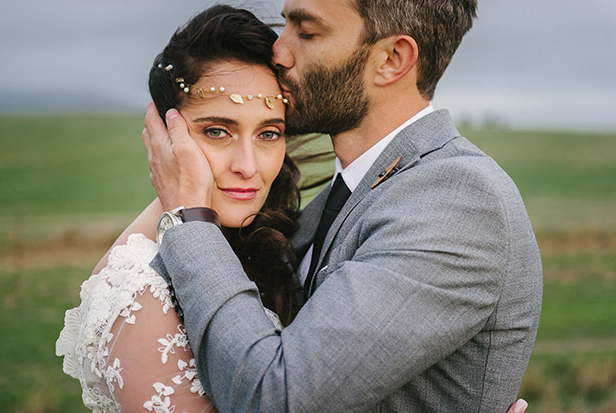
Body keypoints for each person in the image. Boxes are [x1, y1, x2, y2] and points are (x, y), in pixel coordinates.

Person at [143, 0, 542, 412]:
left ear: (392, 59)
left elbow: (275, 398)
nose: (278, 51)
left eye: (307, 31)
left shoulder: (456, 201)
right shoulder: (348, 194)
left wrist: (191, 220)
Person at [56, 6, 303, 411]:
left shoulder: (248, 242)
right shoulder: (141, 291)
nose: (247, 166)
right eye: (217, 131)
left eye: (269, 133)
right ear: (161, 136)